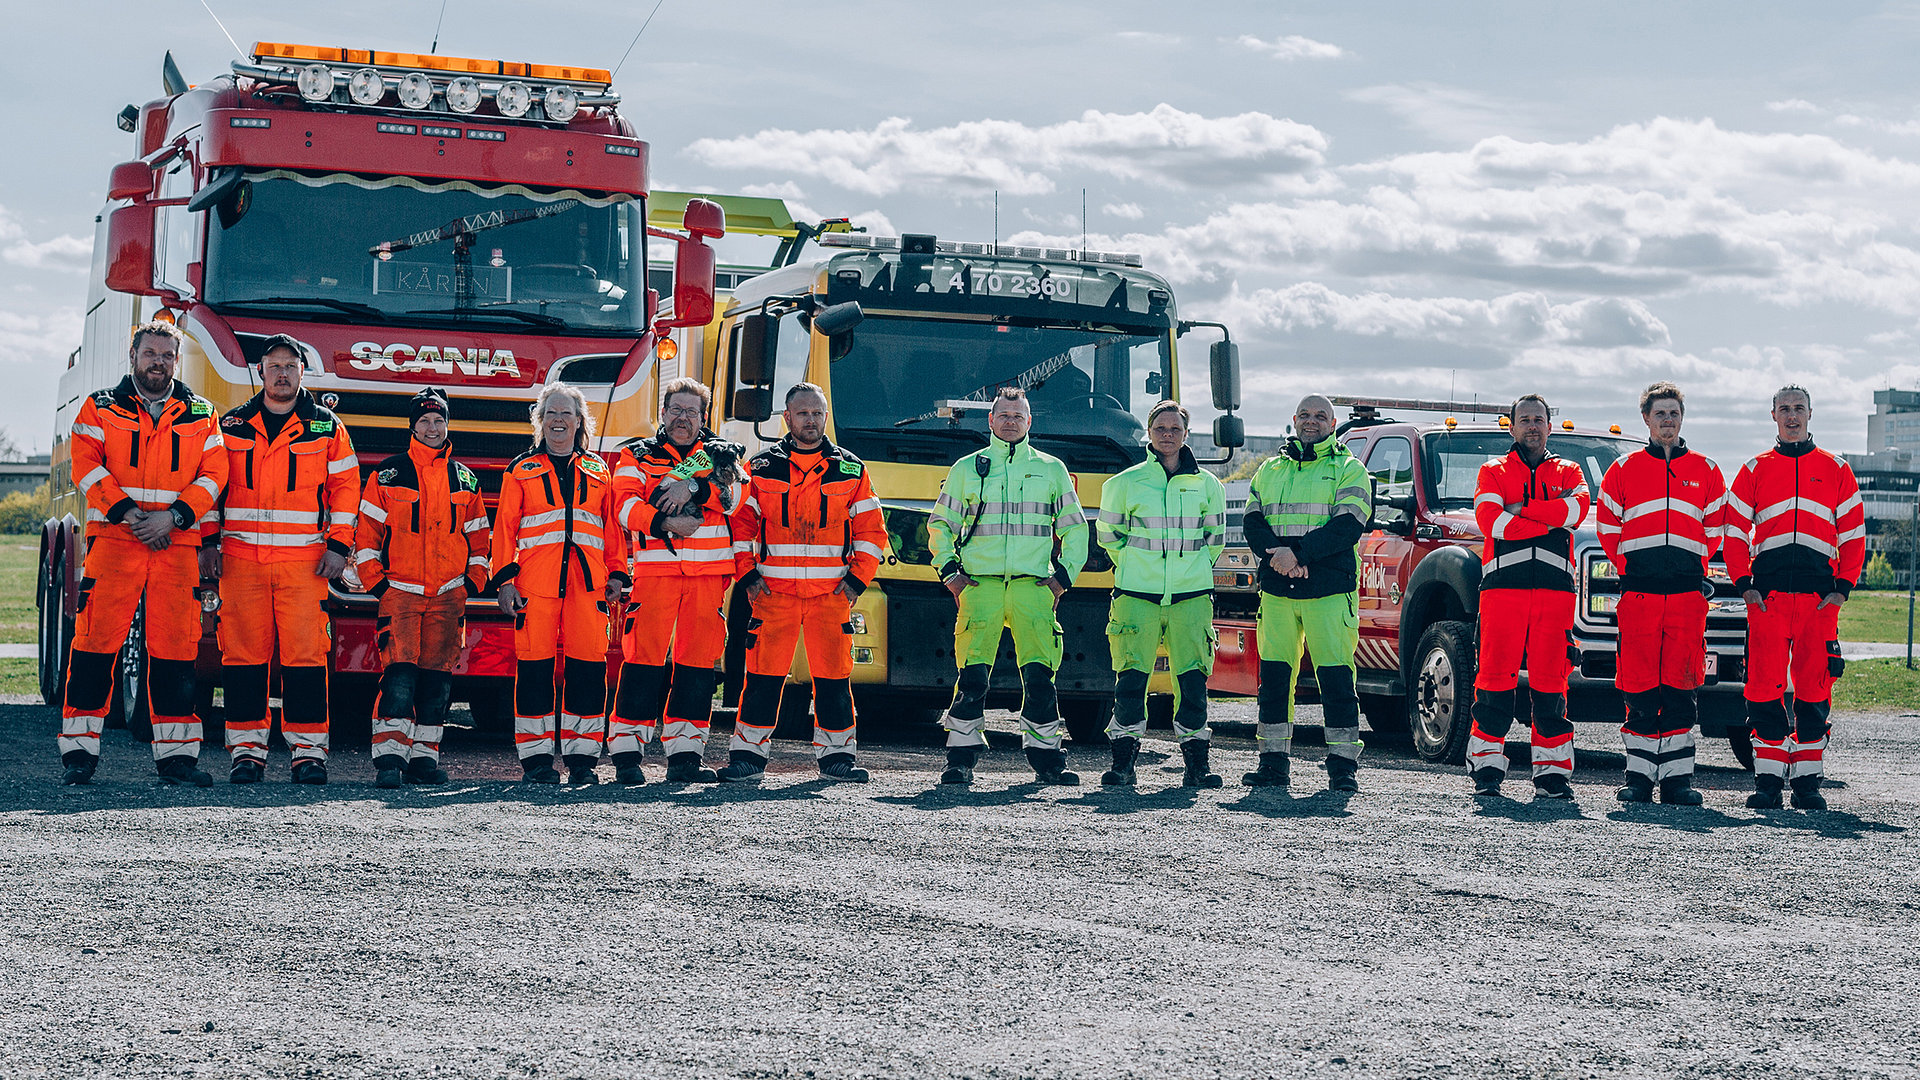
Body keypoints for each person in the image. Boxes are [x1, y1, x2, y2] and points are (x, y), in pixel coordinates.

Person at [58, 321, 228, 786]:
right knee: (94, 645)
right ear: (132, 354)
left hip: (176, 546)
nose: (158, 361)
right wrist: (133, 516)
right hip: (116, 541)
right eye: (150, 352)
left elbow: (214, 475)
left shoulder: (201, 413)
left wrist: (172, 518)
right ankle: (79, 754)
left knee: (176, 651)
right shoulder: (100, 406)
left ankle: (176, 759)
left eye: (166, 354)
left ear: (176, 359)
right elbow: (86, 467)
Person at [202, 335, 358, 785]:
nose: (283, 373)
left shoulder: (327, 428)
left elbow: (346, 489)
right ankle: (246, 753)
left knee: (306, 658)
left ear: (302, 373)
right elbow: (213, 487)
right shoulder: (231, 426)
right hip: (241, 561)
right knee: (243, 658)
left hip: (304, 565)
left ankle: (309, 754)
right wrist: (208, 543)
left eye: (291, 366)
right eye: (275, 366)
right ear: (261, 372)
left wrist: (339, 546)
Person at [722, 383, 886, 783]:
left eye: (817, 413)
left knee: (833, 679)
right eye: (803, 413)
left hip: (831, 597)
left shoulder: (850, 469)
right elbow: (740, 527)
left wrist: (856, 583)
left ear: (825, 418)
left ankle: (838, 759)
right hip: (773, 595)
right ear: (787, 418)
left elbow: (872, 532)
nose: (810, 420)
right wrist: (747, 577)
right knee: (761, 678)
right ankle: (747, 756)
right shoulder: (761, 470)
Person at [928, 387, 1089, 785]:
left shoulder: (1052, 469)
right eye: (1004, 415)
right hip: (979, 588)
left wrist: (1061, 579)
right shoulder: (967, 468)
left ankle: (1048, 758)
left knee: (1040, 679)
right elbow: (940, 525)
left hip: (1033, 588)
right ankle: (960, 759)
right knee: (972, 678)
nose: (1011, 421)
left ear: (1029, 422)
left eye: (1018, 415)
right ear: (990, 420)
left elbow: (1076, 528)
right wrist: (952, 576)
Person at [1723, 386, 1863, 811]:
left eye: (1798, 408)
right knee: (1763, 688)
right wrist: (1745, 584)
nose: (1791, 415)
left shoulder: (1837, 468)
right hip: (1768, 600)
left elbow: (1854, 534)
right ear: (1773, 416)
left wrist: (1841, 590)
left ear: (1810, 413)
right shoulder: (1753, 469)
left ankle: (1807, 785)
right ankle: (1767, 781)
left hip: (1818, 602)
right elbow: (1733, 532)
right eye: (1784, 409)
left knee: (1814, 691)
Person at [607, 377, 745, 785]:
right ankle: (627, 753)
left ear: (703, 417)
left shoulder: (721, 453)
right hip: (655, 574)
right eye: (676, 410)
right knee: (642, 662)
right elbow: (624, 505)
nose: (683, 418)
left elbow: (736, 499)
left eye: (691, 411)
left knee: (697, 667)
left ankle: (685, 755)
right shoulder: (637, 454)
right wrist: (666, 521)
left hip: (707, 579)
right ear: (662, 414)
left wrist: (695, 487)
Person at [1595, 382, 1726, 806]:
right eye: (1660, 414)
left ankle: (1676, 781)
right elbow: (1608, 529)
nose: (1667, 420)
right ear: (1646, 419)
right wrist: (1635, 569)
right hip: (1640, 597)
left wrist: (1689, 568)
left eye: (1674, 413)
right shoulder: (1623, 470)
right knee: (1638, 686)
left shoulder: (1706, 469)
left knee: (1681, 685)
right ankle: (1637, 779)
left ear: (1682, 418)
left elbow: (1715, 529)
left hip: (1687, 598)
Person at [491, 384, 629, 785]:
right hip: (535, 585)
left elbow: (611, 528)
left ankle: (583, 759)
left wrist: (618, 573)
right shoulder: (520, 470)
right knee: (534, 671)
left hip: (590, 588)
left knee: (588, 669)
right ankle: (535, 760)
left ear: (579, 421)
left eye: (566, 413)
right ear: (540, 420)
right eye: (550, 413)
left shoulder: (601, 471)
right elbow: (504, 531)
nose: (558, 420)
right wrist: (505, 580)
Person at [354, 389, 490, 788]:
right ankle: (391, 759)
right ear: (413, 426)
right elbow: (366, 536)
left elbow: (480, 538)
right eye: (425, 421)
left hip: (449, 596)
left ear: (447, 424)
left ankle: (424, 760)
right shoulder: (388, 473)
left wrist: (472, 582)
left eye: (439, 421)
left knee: (437, 683)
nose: (432, 428)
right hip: (400, 592)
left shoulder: (465, 478)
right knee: (398, 678)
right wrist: (377, 585)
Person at [1241, 394, 1372, 792]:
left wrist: (1295, 553)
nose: (1311, 421)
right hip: (1279, 592)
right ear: (1294, 420)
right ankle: (1273, 763)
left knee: (1335, 678)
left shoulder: (1349, 468)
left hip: (1328, 593)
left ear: (1333, 424)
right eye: (1305, 415)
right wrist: (1280, 556)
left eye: (1320, 416)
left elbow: (1348, 526)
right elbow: (1252, 521)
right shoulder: (1269, 469)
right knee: (1276, 679)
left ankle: (1342, 767)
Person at [1095, 401, 1227, 788]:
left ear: (1186, 434)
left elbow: (1213, 541)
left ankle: (1197, 767)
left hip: (1191, 597)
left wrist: (1185, 571)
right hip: (1137, 595)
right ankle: (1123, 764)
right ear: (1148, 433)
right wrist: (1140, 567)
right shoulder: (1123, 483)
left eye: (1175, 428)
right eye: (1160, 428)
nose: (1167, 434)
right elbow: (1108, 538)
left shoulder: (1208, 486)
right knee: (1131, 680)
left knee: (1192, 682)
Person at [1465, 394, 1591, 800]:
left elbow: (1578, 511)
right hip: (1503, 593)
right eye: (1525, 420)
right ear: (1512, 426)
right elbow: (1491, 522)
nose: (1533, 426)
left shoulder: (1570, 470)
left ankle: (1552, 775)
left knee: (1552, 684)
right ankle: (1486, 768)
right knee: (1494, 681)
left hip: (1555, 596)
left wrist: (1522, 511)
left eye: (1539, 419)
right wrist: (1548, 515)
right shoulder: (1492, 470)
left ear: (1550, 427)